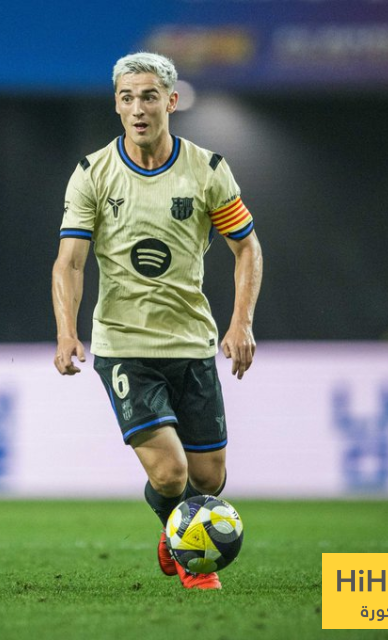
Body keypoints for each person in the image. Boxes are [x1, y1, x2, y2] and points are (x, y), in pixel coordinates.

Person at [52, 52, 263, 590]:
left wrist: (241, 322)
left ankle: (173, 533)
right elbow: (69, 262)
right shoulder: (93, 174)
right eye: (127, 98)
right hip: (124, 344)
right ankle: (194, 562)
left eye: (148, 97)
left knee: (208, 479)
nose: (138, 109)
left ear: (171, 101)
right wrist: (67, 331)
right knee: (171, 473)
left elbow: (247, 248)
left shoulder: (207, 170)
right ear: (116, 105)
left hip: (191, 342)